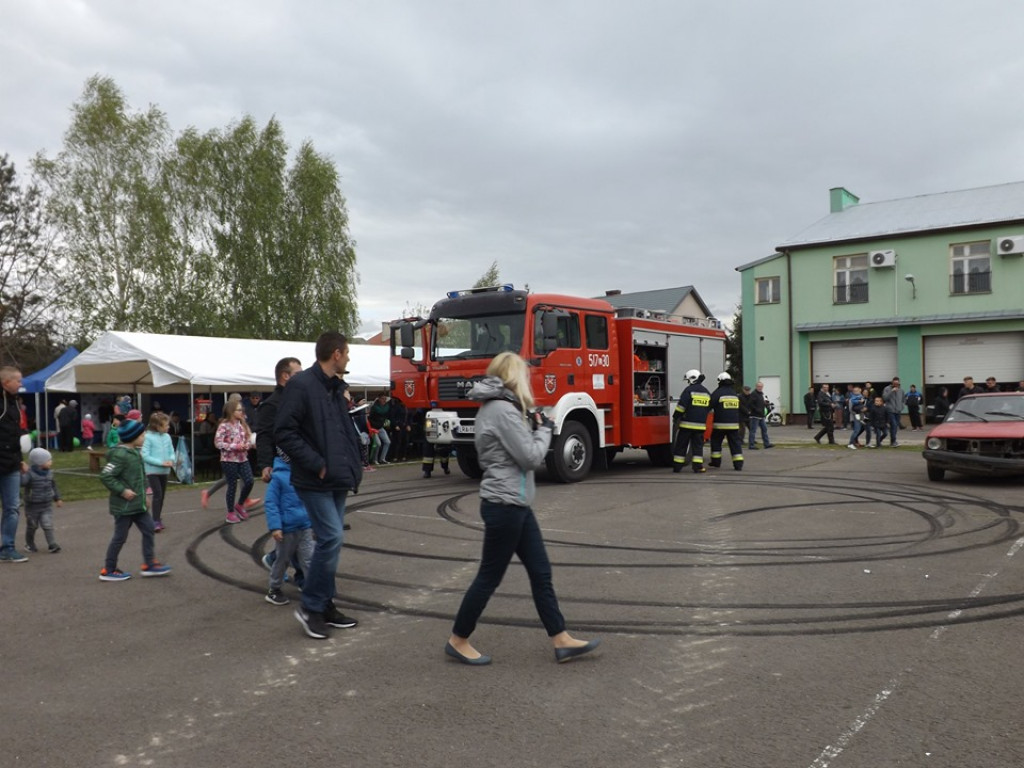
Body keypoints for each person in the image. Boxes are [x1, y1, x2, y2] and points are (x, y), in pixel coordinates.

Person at [445, 352, 599, 666]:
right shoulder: (502, 410)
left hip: (516, 504)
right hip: (505, 505)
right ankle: (458, 639)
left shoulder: (501, 408)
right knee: (489, 577)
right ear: (514, 377)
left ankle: (561, 638)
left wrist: (533, 425)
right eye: (524, 375)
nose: (528, 381)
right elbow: (529, 457)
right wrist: (545, 430)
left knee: (541, 573)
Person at [276, 330, 363, 639]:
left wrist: (354, 463)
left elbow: (341, 432)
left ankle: (325, 605)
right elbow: (284, 432)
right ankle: (310, 606)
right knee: (331, 538)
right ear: (336, 354)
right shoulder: (302, 385)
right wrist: (318, 464)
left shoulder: (334, 388)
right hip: (316, 479)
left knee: (332, 543)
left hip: (337, 477)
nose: (349, 357)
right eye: (347, 352)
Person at [98, 419, 172, 581]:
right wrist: (123, 491)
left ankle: (149, 564)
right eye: (142, 434)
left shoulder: (135, 453)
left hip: (138, 505)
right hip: (124, 507)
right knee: (120, 537)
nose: (145, 436)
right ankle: (108, 569)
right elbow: (106, 475)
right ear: (133, 437)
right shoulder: (120, 455)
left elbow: (140, 477)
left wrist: (145, 496)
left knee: (149, 529)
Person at [263, 455, 314, 606]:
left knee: (308, 558)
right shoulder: (278, 478)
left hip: (304, 525)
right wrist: (275, 527)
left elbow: (309, 499)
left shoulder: (303, 475)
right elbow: (271, 503)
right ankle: (274, 588)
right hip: (286, 529)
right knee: (282, 560)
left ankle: (313, 587)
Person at [200, 393, 260, 510]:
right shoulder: (226, 423)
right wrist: (237, 445)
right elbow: (219, 441)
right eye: (238, 401)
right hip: (230, 456)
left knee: (238, 478)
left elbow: (245, 428)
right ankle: (210, 494)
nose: (241, 405)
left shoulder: (240, 418)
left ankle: (242, 499)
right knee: (230, 480)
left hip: (241, 454)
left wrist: (248, 442)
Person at [255, 357, 303, 483]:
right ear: (285, 376)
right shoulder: (271, 405)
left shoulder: (300, 399)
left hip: (304, 462)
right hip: (284, 465)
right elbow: (264, 435)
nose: (302, 378)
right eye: (298, 374)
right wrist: (265, 464)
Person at [0, 366, 29, 563]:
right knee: (11, 507)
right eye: (18, 381)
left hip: (11, 464)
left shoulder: (14, 403)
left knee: (12, 507)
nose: (21, 384)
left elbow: (14, 433)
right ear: (6, 382)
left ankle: (7, 547)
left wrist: (20, 459)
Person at [215, 400, 255, 525]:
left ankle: (240, 504)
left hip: (243, 458)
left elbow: (248, 438)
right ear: (231, 411)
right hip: (229, 459)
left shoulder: (242, 424)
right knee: (232, 485)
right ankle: (230, 512)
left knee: (249, 481)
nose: (241, 412)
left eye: (241, 410)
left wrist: (247, 445)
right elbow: (218, 443)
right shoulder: (224, 425)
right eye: (239, 410)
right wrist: (234, 446)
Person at [22, 447, 61, 553]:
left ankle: (52, 544)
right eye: (48, 460)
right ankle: (29, 544)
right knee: (32, 526)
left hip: (46, 505)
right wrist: (23, 472)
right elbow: (22, 483)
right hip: (32, 506)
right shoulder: (29, 474)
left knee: (47, 524)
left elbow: (53, 486)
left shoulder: (49, 473)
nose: (51, 462)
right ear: (39, 462)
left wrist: (57, 498)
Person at [141, 412, 175, 532]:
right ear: (157, 426)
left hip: (164, 471)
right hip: (152, 471)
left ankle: (158, 518)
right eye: (165, 425)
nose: (168, 427)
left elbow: (171, 451)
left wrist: (171, 460)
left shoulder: (167, 437)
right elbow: (145, 455)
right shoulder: (148, 437)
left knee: (162, 496)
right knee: (158, 494)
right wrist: (161, 462)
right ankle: (155, 520)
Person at [673, 369, 711, 473]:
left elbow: (681, 406)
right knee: (698, 447)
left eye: (688, 380)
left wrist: (676, 417)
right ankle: (698, 467)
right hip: (700, 426)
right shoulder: (706, 392)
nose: (688, 382)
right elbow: (708, 408)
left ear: (692, 379)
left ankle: (677, 467)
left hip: (686, 425)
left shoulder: (688, 390)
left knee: (681, 446)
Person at [708, 372, 743, 470]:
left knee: (716, 442)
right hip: (734, 425)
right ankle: (738, 464)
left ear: (720, 381)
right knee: (735, 444)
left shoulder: (718, 393)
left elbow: (709, 405)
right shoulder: (734, 393)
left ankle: (716, 462)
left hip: (720, 425)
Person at [747, 381, 774, 449]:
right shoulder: (754, 394)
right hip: (755, 416)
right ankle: (751, 445)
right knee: (753, 431)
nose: (760, 388)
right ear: (756, 387)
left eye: (761, 386)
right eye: (758, 386)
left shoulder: (760, 394)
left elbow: (760, 403)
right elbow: (750, 404)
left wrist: (765, 404)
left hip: (761, 416)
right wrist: (757, 410)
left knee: (764, 429)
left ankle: (766, 444)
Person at [368, 393, 392, 464]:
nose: (384, 400)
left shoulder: (386, 407)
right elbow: (370, 418)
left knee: (387, 442)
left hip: (380, 427)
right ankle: (374, 459)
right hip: (373, 428)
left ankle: (382, 458)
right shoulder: (375, 407)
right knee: (378, 443)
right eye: (383, 399)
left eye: (385, 399)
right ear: (379, 399)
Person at [881, 376, 905, 447]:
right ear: (892, 383)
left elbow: (903, 399)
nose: (896, 385)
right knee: (893, 425)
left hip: (898, 410)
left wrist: (901, 406)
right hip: (890, 410)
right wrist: (892, 391)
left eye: (897, 383)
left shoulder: (901, 390)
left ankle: (893, 441)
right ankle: (893, 441)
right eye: (894, 383)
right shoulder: (887, 389)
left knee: (895, 426)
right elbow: (884, 398)